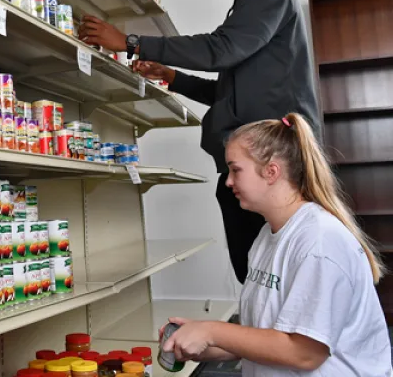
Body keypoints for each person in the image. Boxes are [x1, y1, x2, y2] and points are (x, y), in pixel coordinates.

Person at [78, 0, 321, 284]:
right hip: (252, 164)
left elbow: (220, 49)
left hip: (270, 163)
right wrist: (171, 77)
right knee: (257, 275)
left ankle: (273, 340)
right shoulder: (252, 9)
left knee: (272, 278)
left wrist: (130, 41)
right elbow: (225, 91)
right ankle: (261, 336)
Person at [158, 113, 391, 376]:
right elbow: (262, 337)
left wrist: (212, 330)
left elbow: (305, 353)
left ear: (271, 172)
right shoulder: (267, 236)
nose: (228, 181)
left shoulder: (319, 241)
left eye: (235, 170)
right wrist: (203, 342)